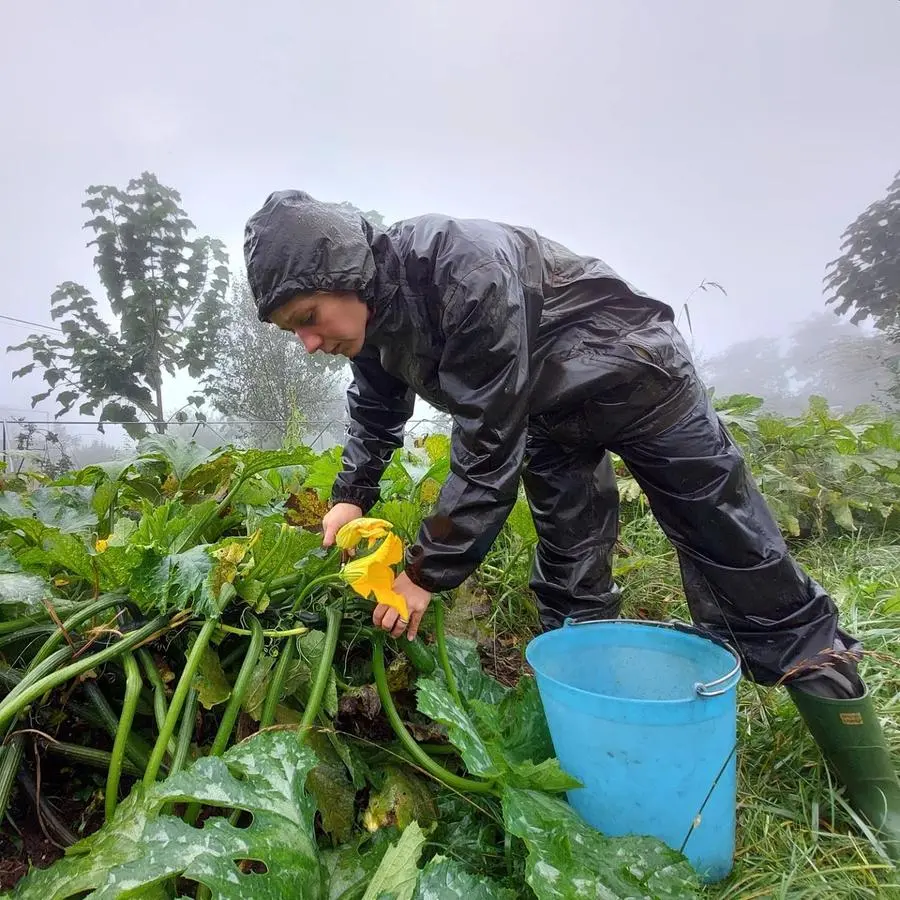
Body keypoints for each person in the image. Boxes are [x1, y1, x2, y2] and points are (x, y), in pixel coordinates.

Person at [243, 189, 898, 862]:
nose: (309, 341)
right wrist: (350, 494)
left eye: (309, 318)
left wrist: (424, 574)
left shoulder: (461, 268)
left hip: (637, 377)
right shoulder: (372, 322)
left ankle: (873, 791)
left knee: (738, 550)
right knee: (570, 577)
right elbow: (377, 410)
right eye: (295, 329)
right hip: (547, 416)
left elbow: (487, 445)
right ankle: (600, 752)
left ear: (347, 275)